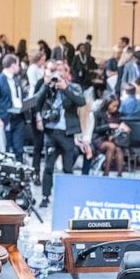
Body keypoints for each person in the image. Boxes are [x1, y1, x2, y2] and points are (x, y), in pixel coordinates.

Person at [33, 61, 86, 207]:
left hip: (67, 133)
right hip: (51, 133)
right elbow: (36, 101)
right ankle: (45, 197)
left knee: (68, 168)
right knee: (48, 167)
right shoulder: (48, 87)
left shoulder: (74, 87)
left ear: (67, 73)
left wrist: (65, 88)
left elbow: (81, 101)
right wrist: (45, 84)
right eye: (56, 71)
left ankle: (69, 197)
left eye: (62, 71)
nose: (59, 74)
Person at [0, 54, 27, 160]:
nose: (19, 67)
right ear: (13, 65)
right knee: (5, 150)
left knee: (19, 149)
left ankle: (19, 173)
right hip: (5, 118)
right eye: (18, 64)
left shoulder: (16, 80)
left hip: (19, 117)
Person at [92, 95, 129, 176]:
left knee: (118, 148)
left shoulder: (117, 115)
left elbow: (120, 124)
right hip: (98, 138)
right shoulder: (98, 113)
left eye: (117, 106)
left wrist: (123, 127)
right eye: (113, 105)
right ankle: (106, 171)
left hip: (111, 138)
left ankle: (119, 173)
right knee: (111, 146)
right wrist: (109, 126)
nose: (115, 108)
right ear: (107, 104)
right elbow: (95, 129)